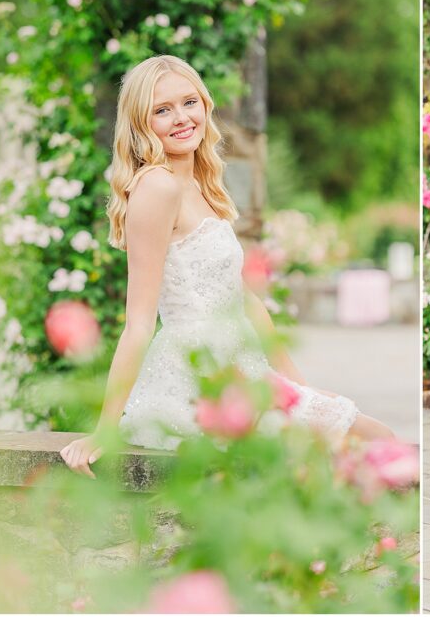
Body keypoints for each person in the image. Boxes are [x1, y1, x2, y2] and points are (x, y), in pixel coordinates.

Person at [60, 54, 395, 475]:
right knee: (369, 444)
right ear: (141, 123)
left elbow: (246, 299)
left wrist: (299, 388)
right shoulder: (157, 187)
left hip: (244, 368)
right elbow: (139, 323)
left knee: (374, 439)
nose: (181, 118)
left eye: (189, 102)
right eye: (162, 110)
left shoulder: (200, 183)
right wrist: (105, 429)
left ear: (205, 104)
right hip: (197, 377)